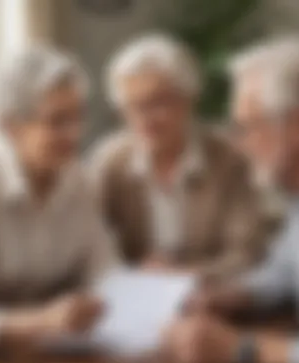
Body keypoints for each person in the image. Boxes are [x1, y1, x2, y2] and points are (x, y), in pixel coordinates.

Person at [163, 37, 299, 363]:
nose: (238, 144)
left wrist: (245, 349)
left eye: (247, 126)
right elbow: (282, 272)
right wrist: (228, 296)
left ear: (298, 128)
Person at [0, 47, 116, 358]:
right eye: (57, 121)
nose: (74, 134)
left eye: (78, 117)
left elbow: (105, 272)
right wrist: (39, 322)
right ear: (10, 127)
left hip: (59, 356)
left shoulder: (78, 180)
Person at [89, 34, 272, 277]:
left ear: (188, 99)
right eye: (132, 106)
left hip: (213, 295)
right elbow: (91, 252)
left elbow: (247, 253)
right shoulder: (109, 163)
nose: (145, 119)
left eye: (158, 102)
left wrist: (183, 275)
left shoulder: (229, 158)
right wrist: (135, 274)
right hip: (135, 295)